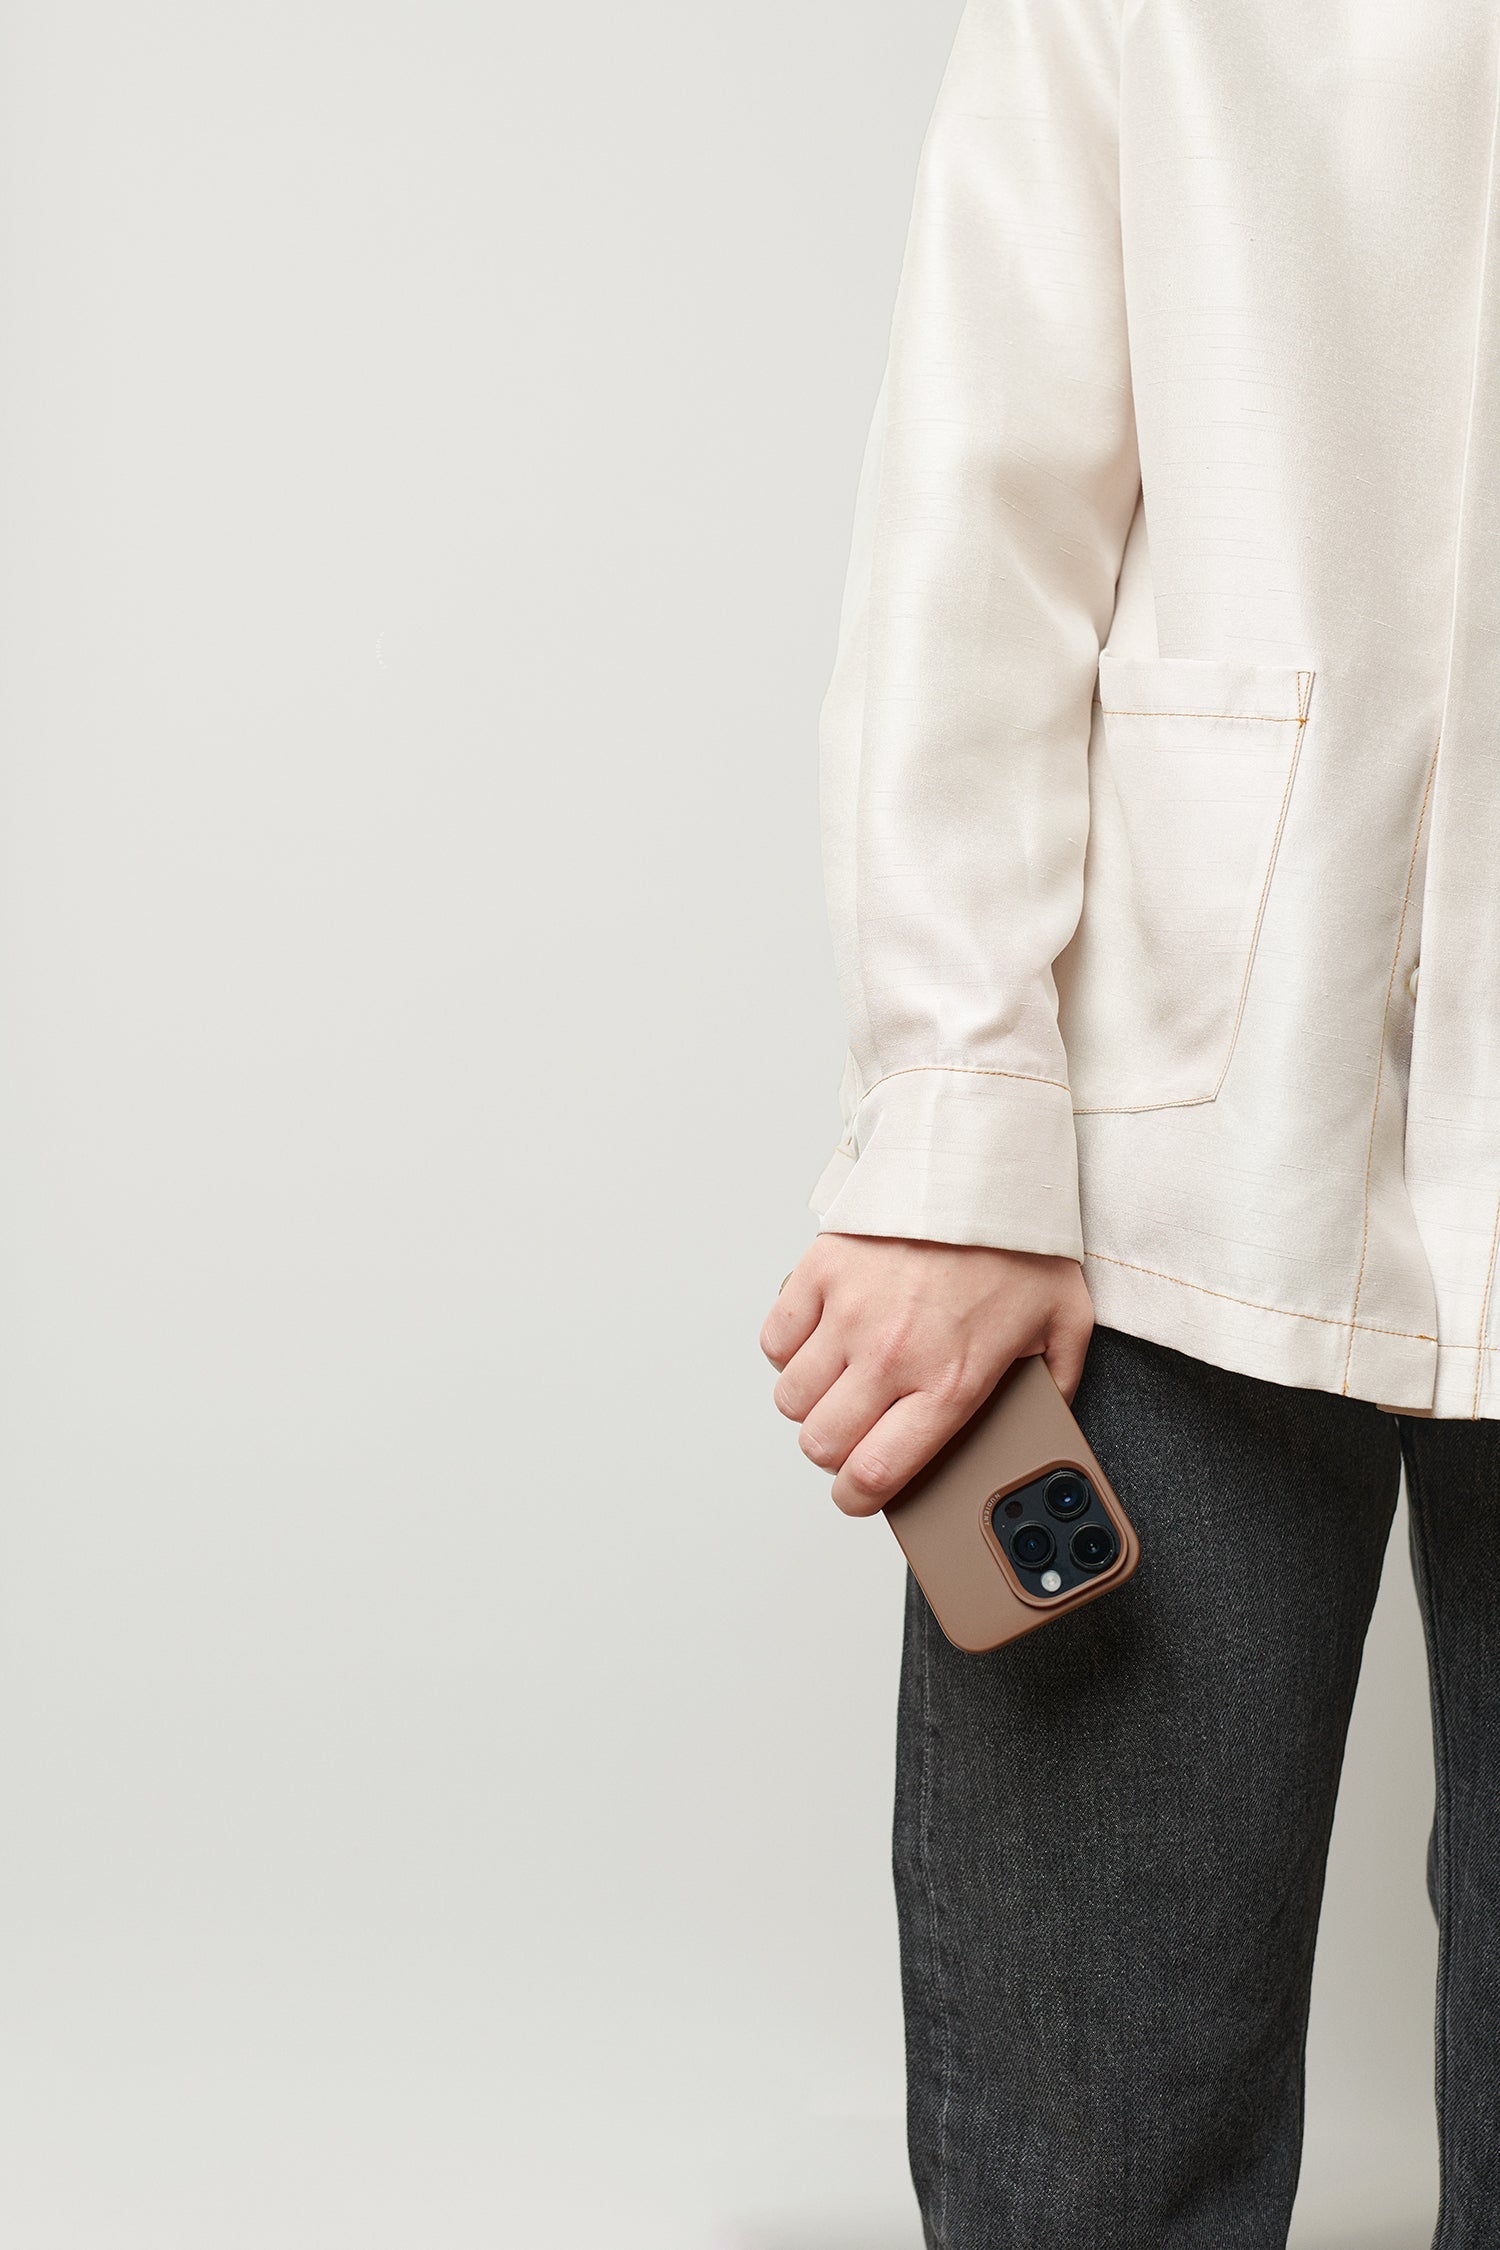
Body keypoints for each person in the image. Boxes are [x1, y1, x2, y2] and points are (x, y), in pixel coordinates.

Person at [757, 3, 1500, 2244]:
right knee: (1091, 2166)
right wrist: (957, 1108)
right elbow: (981, 506)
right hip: (1169, 1138)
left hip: (1186, 1090)